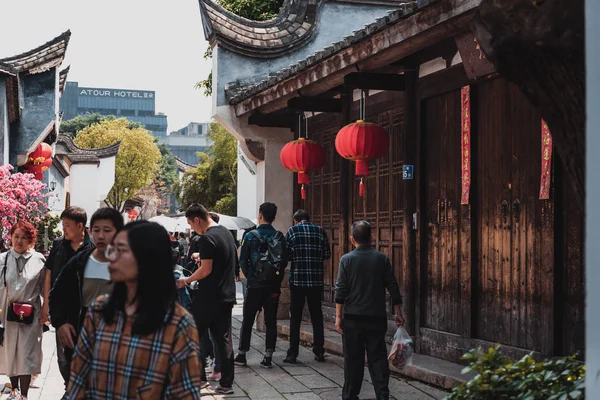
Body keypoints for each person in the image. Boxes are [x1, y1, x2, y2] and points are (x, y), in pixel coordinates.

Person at [65, 221, 202, 399]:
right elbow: (77, 383)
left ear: (146, 257)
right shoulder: (99, 310)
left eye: (121, 250)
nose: (111, 256)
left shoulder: (178, 324)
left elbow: (184, 394)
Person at [49, 208, 124, 385]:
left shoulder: (130, 264)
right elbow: (57, 294)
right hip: (82, 334)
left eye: (107, 231)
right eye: (96, 230)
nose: (100, 236)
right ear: (90, 231)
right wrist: (60, 323)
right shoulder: (79, 262)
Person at [335, 221, 404, 400]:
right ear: (371, 237)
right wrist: (398, 311)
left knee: (353, 360)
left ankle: (350, 395)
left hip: (352, 319)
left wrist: (337, 317)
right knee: (378, 358)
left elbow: (340, 291)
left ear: (352, 239)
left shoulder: (346, 260)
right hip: (376, 317)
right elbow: (392, 285)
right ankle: (382, 395)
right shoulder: (381, 259)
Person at [177, 204, 236, 395]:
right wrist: (201, 257)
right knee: (224, 340)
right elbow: (219, 259)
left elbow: (206, 270)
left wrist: (186, 280)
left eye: (190, 224)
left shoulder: (206, 238)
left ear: (196, 219)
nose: (192, 229)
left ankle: (199, 379)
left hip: (208, 296)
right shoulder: (226, 233)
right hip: (226, 295)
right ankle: (226, 384)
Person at [43, 206, 92, 387]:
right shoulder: (58, 245)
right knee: (63, 359)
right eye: (63, 225)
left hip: (85, 313)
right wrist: (46, 304)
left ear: (80, 226)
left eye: (67, 226)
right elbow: (48, 274)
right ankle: (69, 386)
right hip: (61, 312)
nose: (63, 229)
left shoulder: (92, 247)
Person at [235, 203, 287, 368]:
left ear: (260, 215)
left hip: (254, 285)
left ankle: (242, 354)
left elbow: (242, 260)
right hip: (273, 286)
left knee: (248, 319)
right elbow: (284, 261)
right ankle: (268, 356)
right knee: (271, 321)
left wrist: (250, 276)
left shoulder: (250, 236)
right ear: (274, 217)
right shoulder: (279, 236)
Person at [0, 222, 47, 400]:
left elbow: (44, 288)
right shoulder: (3, 259)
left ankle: (24, 395)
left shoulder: (39, 260)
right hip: (7, 311)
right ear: (10, 237)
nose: (19, 241)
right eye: (16, 236)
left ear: (31, 240)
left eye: (24, 237)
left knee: (27, 353)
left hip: (30, 313)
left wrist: (46, 310)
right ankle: (14, 389)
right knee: (10, 351)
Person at [283, 210, 331, 364]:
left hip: (297, 280)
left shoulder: (292, 231)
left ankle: (293, 353)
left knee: (295, 318)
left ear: (296, 220)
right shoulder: (320, 230)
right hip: (316, 281)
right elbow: (327, 254)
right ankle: (319, 351)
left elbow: (287, 255)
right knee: (317, 317)